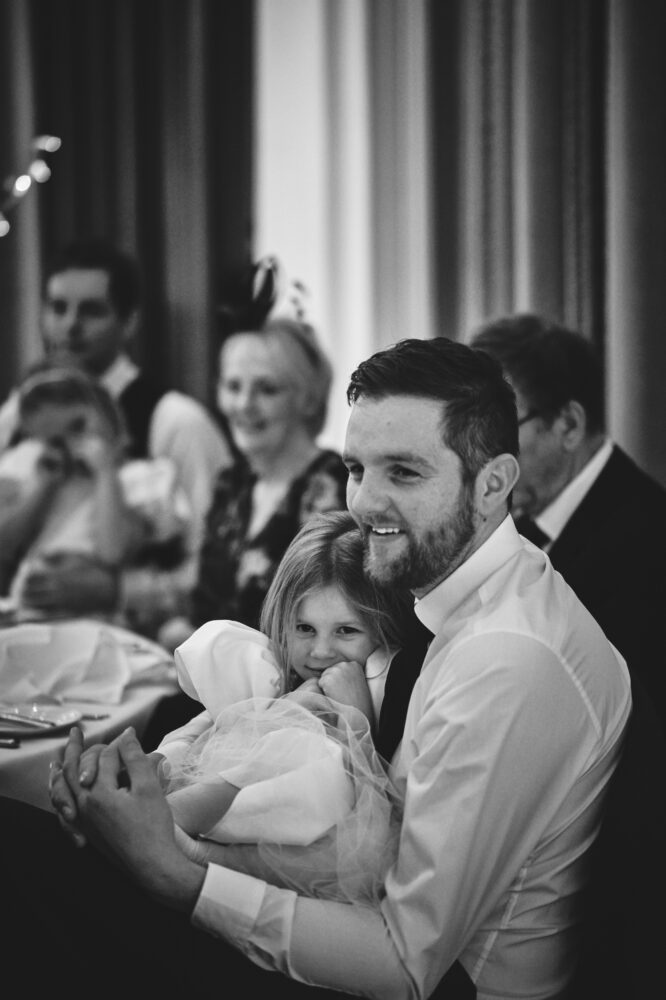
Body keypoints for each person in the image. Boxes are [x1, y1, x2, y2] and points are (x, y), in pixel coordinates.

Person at [5, 336, 630, 999]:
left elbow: (402, 964)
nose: (364, 503)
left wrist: (179, 871)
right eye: (357, 468)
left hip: (446, 986)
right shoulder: (478, 598)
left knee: (17, 860)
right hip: (376, 930)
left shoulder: (505, 659)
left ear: (493, 483)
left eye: (404, 472)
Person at [143, 511, 412, 906]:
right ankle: (158, 814)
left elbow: (373, 805)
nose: (320, 651)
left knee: (296, 745)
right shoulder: (274, 669)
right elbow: (208, 722)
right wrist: (165, 757)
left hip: (300, 840)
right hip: (237, 812)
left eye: (346, 630)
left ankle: (165, 822)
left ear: (382, 628)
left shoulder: (379, 685)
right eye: (304, 628)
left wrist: (356, 716)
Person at [0, 239, 232, 622]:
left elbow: (216, 566)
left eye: (91, 311)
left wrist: (119, 590)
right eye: (58, 308)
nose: (70, 326)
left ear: (129, 322)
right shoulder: (14, 418)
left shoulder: (176, 421)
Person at [469, 313, 666, 731]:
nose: (480, 454)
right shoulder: (513, 524)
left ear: (569, 424)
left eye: (498, 429)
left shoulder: (650, 542)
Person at [157, 317, 348, 652]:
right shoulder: (231, 484)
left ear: (307, 399)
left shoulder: (331, 483)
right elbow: (205, 605)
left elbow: (323, 624)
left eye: (267, 389)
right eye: (233, 387)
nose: (244, 404)